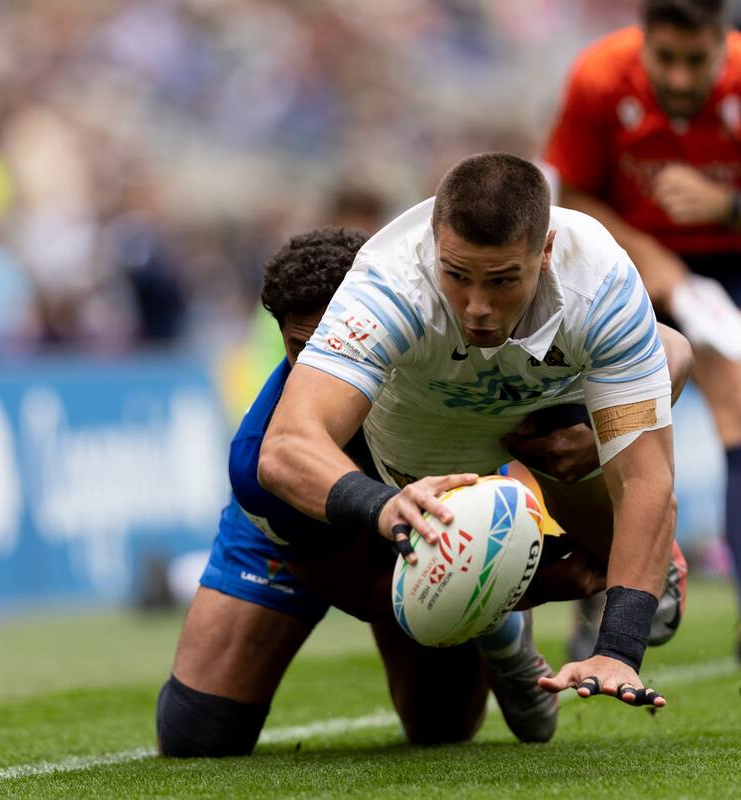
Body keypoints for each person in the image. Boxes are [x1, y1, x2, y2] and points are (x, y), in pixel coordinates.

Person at [158, 223, 695, 757]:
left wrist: (603, 431)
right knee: (198, 734)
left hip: (434, 522)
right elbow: (365, 594)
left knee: (441, 726)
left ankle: (510, 622)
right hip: (307, 540)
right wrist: (526, 586)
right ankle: (504, 629)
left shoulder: (449, 337)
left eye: (339, 340)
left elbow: (669, 349)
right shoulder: (266, 458)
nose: (331, 359)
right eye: (306, 348)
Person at [257, 152, 684, 716]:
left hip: (542, 424)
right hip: (423, 469)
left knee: (674, 355)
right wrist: (382, 506)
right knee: (439, 722)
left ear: (546, 252)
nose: (478, 308)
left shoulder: (599, 278)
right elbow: (287, 446)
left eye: (503, 280)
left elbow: (645, 480)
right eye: (456, 276)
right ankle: (506, 628)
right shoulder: (388, 281)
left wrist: (618, 650)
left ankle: (579, 578)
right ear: (434, 244)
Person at [541, 0, 741, 661]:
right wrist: (654, 258)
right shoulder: (597, 78)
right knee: (594, 431)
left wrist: (724, 204)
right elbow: (571, 196)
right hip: (620, 265)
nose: (676, 77)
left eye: (695, 61)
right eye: (663, 58)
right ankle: (595, 595)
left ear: (723, 41)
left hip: (729, 267)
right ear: (643, 39)